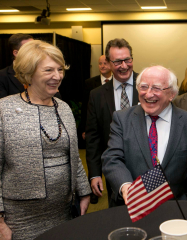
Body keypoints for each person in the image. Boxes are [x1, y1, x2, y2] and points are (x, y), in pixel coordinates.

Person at [0, 40, 91, 240]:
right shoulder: (4, 110)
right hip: (20, 219)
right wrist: (0, 223)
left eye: (60, 69)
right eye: (49, 70)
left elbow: (74, 157)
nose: (57, 76)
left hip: (63, 211)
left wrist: (84, 192)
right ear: (29, 72)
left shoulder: (64, 108)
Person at [102, 65, 187, 205]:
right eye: (144, 87)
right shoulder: (122, 119)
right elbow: (112, 158)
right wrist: (126, 186)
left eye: (156, 88)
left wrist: (186, 210)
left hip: (175, 214)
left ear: (172, 94)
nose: (148, 94)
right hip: (131, 210)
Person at [86, 38, 139, 207]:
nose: (124, 66)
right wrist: (95, 174)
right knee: (118, 214)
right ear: (108, 63)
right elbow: (93, 137)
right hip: (114, 167)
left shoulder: (147, 85)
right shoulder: (97, 95)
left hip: (145, 165)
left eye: (127, 60)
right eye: (117, 61)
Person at [79, 54, 112, 204]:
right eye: (100, 63)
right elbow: (86, 107)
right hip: (96, 128)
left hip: (111, 129)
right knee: (94, 157)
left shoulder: (118, 83)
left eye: (105, 63)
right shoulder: (90, 83)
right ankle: (94, 190)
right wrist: (85, 128)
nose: (103, 66)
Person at [0, 33, 33, 99]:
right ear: (16, 53)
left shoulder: (43, 72)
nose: (36, 51)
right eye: (30, 49)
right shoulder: (2, 76)